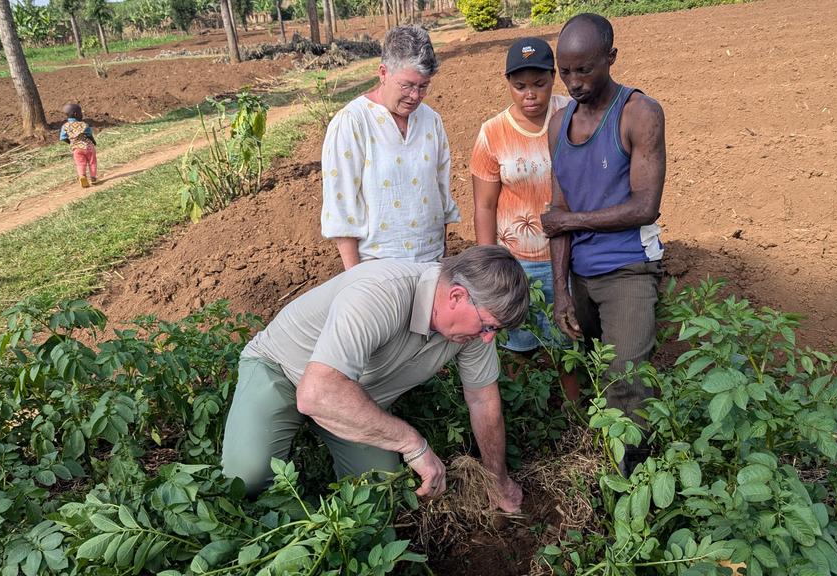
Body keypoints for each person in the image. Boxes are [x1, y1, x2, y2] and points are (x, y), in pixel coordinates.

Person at [220, 245, 529, 512]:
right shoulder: (382, 291)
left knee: (378, 497)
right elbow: (316, 393)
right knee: (245, 479)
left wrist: (497, 479)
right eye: (488, 326)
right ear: (457, 296)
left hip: (356, 396)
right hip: (285, 370)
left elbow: (483, 400)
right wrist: (413, 444)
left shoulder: (473, 332)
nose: (489, 339)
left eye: (495, 330)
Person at [540, 14, 667, 471]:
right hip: (580, 274)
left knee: (627, 383)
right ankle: (610, 467)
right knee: (597, 366)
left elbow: (644, 206)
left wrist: (570, 219)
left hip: (628, 268)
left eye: (584, 69)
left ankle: (636, 486)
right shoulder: (559, 125)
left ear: (611, 59)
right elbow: (556, 216)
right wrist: (560, 291)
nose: (573, 82)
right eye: (565, 71)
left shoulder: (638, 113)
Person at [469, 37, 579, 402]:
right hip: (515, 262)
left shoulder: (572, 116)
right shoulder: (493, 133)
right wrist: (489, 268)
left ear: (554, 78)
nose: (529, 94)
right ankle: (525, 413)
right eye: (519, 86)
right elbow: (484, 206)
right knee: (518, 345)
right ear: (508, 84)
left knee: (568, 345)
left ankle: (574, 417)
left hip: (567, 258)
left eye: (539, 84)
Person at [321, 25, 460, 271]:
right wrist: (355, 280)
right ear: (383, 73)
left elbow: (441, 192)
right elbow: (341, 208)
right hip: (377, 272)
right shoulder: (353, 122)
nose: (415, 96)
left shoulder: (431, 120)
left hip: (431, 264)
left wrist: (442, 260)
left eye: (423, 86)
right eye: (407, 85)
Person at [60, 103, 98, 188]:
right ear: (76, 114)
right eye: (80, 112)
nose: (82, 114)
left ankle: (82, 176)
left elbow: (63, 138)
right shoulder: (84, 124)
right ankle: (93, 178)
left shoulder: (65, 126)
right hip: (88, 146)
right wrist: (94, 142)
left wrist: (71, 143)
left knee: (80, 164)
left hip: (76, 149)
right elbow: (89, 135)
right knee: (92, 162)